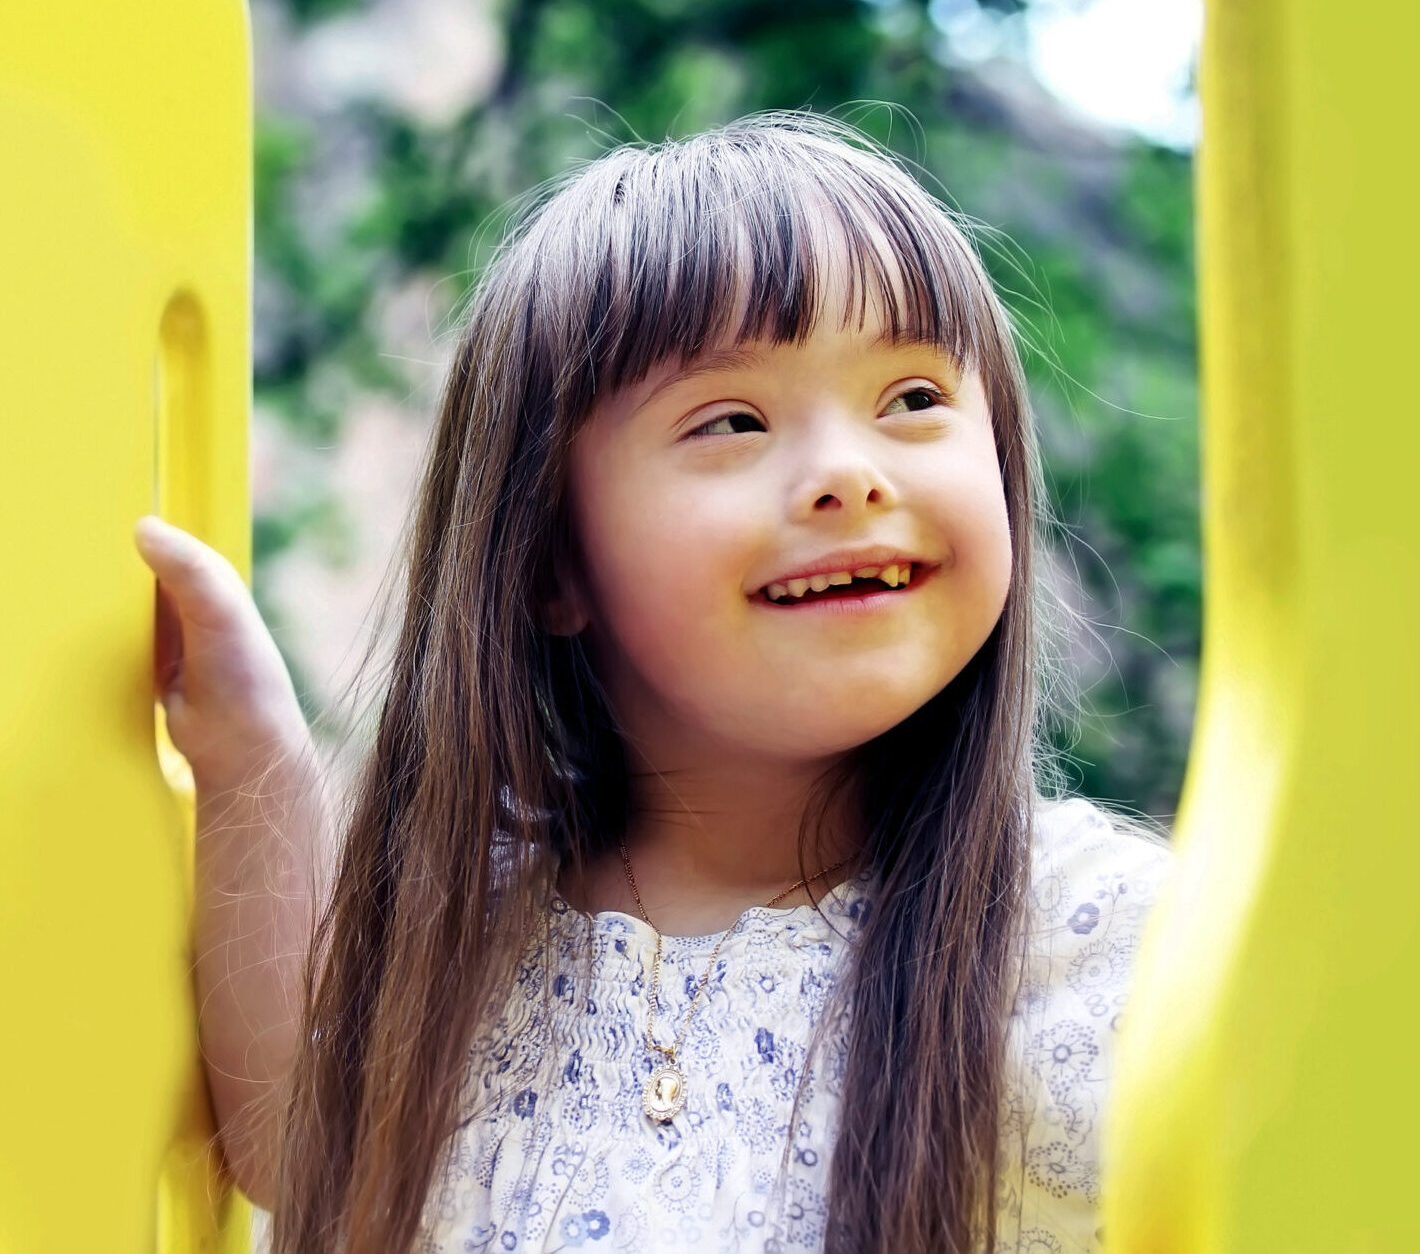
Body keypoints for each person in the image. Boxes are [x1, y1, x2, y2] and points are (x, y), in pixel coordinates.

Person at [133, 112, 1175, 1254]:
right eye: (732, 419)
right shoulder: (469, 937)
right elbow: (299, 1148)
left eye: (914, 399)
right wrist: (249, 762)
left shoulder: (1118, 943)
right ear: (549, 559)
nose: (846, 472)